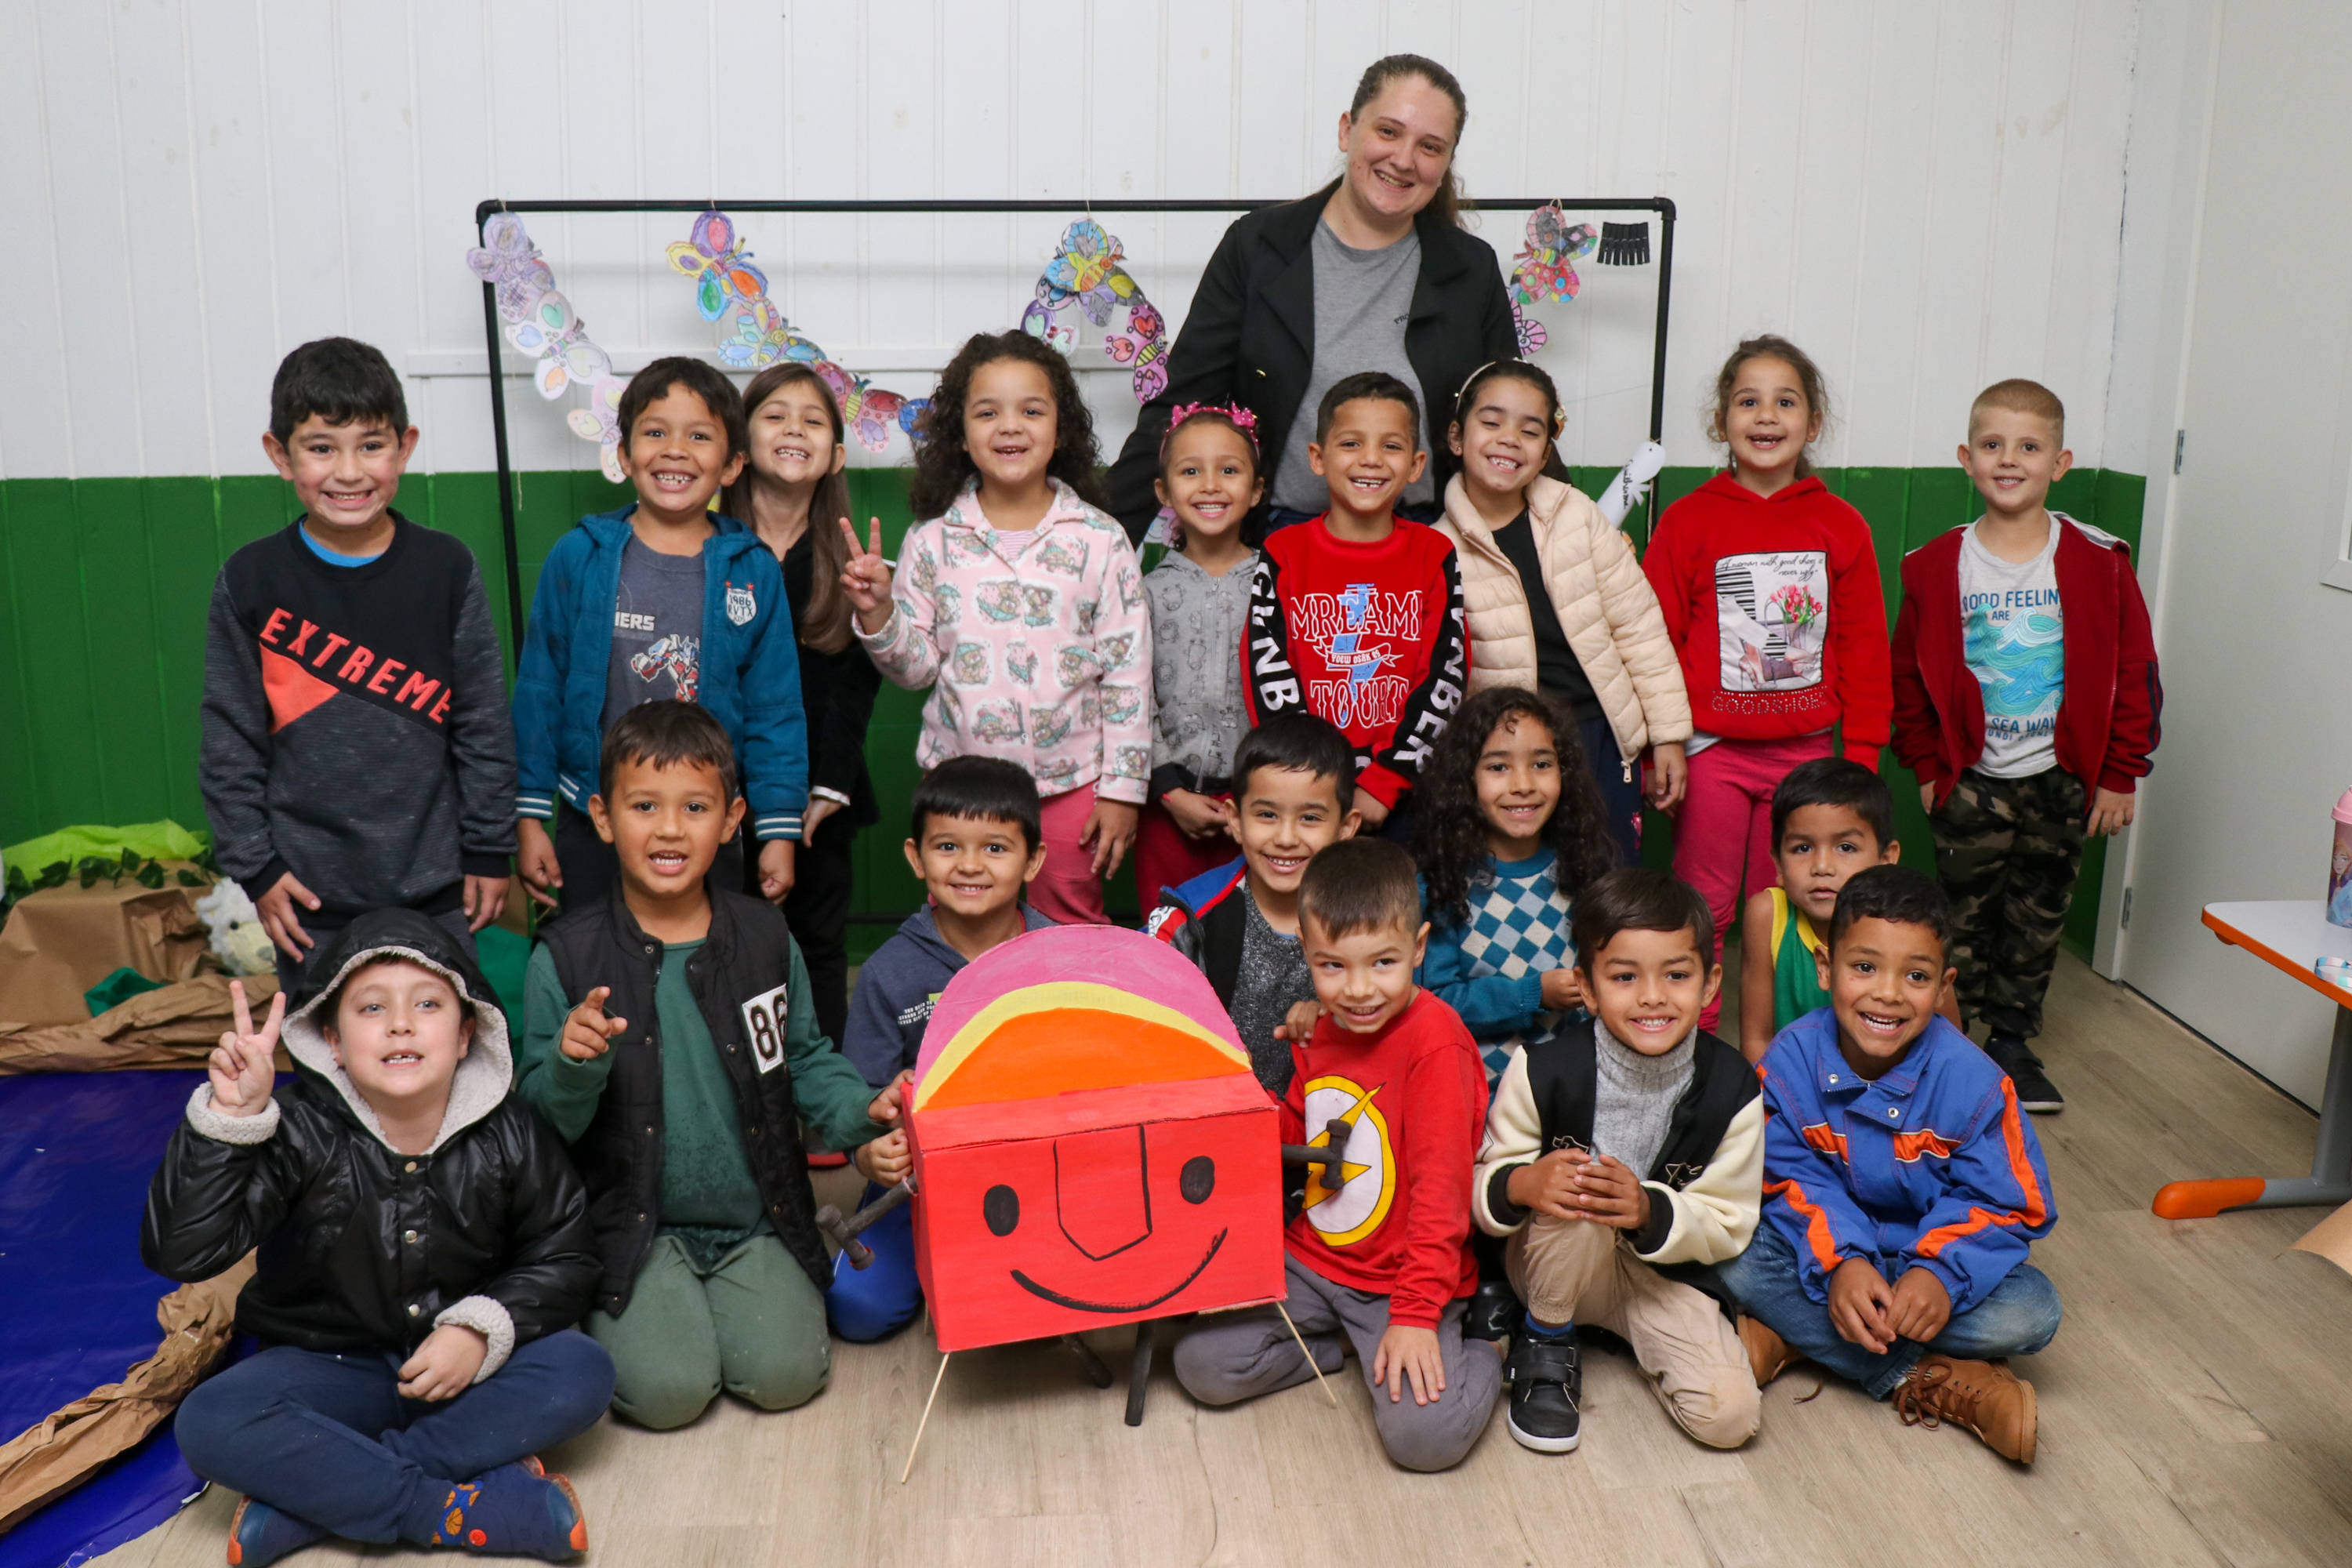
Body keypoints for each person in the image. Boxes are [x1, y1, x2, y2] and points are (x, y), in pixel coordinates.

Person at [147, 913, 612, 1567]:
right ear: (332, 1042)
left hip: (463, 1369)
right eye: (372, 1008)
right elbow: (182, 1252)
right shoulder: (296, 1132)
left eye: (428, 1004)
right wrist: (229, 1121)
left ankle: (320, 1498)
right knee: (210, 1420)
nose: (401, 1024)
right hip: (330, 1365)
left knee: (581, 1370)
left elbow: (565, 1255)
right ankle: (442, 1506)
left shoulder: (511, 1131)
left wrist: (479, 1330)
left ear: (466, 1034)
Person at [510, 702, 903, 1430]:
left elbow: (805, 1058)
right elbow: (537, 1126)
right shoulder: (564, 956)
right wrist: (571, 1064)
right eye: (644, 806)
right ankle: (628, 1310)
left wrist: (862, 1110)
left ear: (731, 820)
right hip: (635, 1228)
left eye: (695, 807)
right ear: (602, 818)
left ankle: (732, 1290)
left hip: (755, 1218)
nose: (669, 828)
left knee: (785, 1376)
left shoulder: (763, 935)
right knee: (670, 1395)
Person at [1172, 838, 1501, 1472]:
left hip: (1400, 1283)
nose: (1358, 990)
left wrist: (1414, 1316)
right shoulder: (1320, 1027)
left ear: (1419, 948)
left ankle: (1487, 1347)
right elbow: (1300, 1138)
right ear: (1306, 951)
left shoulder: (1436, 1045)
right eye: (1332, 966)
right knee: (1202, 1366)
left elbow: (1442, 1196)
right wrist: (1242, 1101)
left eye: (1383, 964)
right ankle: (1349, 1349)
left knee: (1424, 1440)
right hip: (1312, 1262)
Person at [201, 337, 516, 993]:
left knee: (438, 1046)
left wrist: (490, 847)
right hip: (308, 898)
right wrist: (257, 869)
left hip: (438, 889)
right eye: (322, 448)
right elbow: (230, 740)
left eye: (371, 445)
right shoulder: (250, 580)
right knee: (325, 1053)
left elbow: (483, 721)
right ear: (280, 455)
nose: (349, 472)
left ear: (405, 447)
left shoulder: (448, 569)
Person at [1715, 866, 2059, 1464]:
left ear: (1944, 986)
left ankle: (1798, 1334)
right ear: (1826, 968)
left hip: (1921, 1264)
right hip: (1823, 1255)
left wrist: (1939, 1275)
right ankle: (1928, 1378)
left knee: (2034, 1312)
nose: (1889, 993)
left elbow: (2011, 1204)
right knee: (1734, 1256)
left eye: (1916, 976)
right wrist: (1842, 1263)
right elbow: (1784, 1179)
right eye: (1865, 967)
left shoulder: (1975, 1082)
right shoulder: (1790, 1061)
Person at [1103, 53, 1516, 542]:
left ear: (1445, 164)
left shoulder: (1471, 268)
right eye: (1388, 131)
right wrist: (1095, 543)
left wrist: (1563, 539)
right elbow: (1179, 411)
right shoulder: (1257, 248)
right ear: (1347, 130)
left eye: (1430, 147)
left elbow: (1514, 415)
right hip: (1279, 540)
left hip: (1430, 540)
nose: (1404, 159)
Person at [1892, 379, 2162, 1113]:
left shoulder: (2100, 562)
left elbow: (2135, 670)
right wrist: (1927, 764)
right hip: (1971, 778)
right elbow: (1907, 675)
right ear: (1967, 458)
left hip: (2062, 776)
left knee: (2036, 915)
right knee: (1961, 916)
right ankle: (1944, 1040)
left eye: (2029, 447)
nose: (2009, 459)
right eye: (1993, 445)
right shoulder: (1935, 565)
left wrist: (2120, 774)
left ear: (2060, 464)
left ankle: (2011, 1042)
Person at [838, 331, 1150, 926]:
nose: (1010, 426)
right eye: (987, 413)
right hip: (963, 788)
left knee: (1068, 932)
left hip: (1074, 787)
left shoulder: (1101, 538)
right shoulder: (932, 540)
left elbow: (1128, 673)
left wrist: (1123, 790)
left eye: (1031, 411)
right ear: (960, 433)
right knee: (965, 928)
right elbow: (916, 670)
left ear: (1061, 430)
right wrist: (878, 613)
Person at [1641, 336, 1891, 1027]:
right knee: (1705, 903)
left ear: (1813, 423)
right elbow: (1653, 643)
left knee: (1782, 909)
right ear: (1722, 420)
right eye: (1748, 401)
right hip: (1710, 753)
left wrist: (1860, 759)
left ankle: (1783, 1049)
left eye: (1786, 402)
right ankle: (1691, 1044)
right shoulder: (1688, 520)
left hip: (1806, 757)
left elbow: (1866, 649)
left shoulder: (1840, 524)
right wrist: (1658, 743)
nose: (1766, 416)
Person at [1473, 867, 1766, 1454]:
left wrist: (1649, 1210)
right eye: (1625, 977)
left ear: (1710, 985)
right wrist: (1525, 1183)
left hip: (1658, 1275)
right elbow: (1484, 1184)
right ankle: (1546, 1338)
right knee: (1580, 1187)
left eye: (1676, 975)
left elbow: (1730, 1221)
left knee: (1730, 1417)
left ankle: (1619, 1332)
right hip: (1554, 1259)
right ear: (1587, 987)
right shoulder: (1543, 1070)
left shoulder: (1733, 1087)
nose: (1653, 996)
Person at [511, 358, 808, 917]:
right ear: (624, 455)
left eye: (699, 436)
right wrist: (529, 817)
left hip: (706, 819)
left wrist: (778, 832)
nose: (675, 451)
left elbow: (775, 710)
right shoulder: (579, 556)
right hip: (595, 813)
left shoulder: (753, 571)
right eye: (654, 433)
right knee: (590, 955)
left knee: (709, 957)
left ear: (732, 464)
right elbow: (539, 689)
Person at [830, 756, 1054, 1341]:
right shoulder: (888, 972)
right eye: (948, 846)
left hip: (1041, 1177)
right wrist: (868, 1154)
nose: (970, 865)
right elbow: (860, 1100)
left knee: (1041, 1308)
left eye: (996, 848)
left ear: (1033, 860)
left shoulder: (1063, 959)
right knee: (858, 1312)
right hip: (921, 1184)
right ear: (916, 857)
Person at [1433, 359, 1692, 862]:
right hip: (1511, 751)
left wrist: (1667, 737)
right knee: (1524, 875)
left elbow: (1639, 629)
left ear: (1546, 452)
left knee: (1609, 876)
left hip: (1600, 732)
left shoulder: (1577, 515)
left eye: (1530, 431)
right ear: (1457, 437)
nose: (1510, 439)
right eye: (1492, 422)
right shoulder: (1437, 548)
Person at [718, 361, 884, 1045]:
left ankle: (822, 1088)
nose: (794, 429)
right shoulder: (706, 543)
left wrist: (829, 788)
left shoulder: (851, 560)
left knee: (816, 943)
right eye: (775, 416)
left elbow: (856, 687)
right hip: (718, 789)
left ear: (836, 456)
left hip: (819, 793)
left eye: (812, 420)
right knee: (724, 945)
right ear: (739, 443)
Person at [1242, 372, 1469, 843]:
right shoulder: (1284, 552)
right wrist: (1310, 780)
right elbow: (1267, 673)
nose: (1371, 459)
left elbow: (1444, 678)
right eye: (1351, 443)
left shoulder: (1434, 553)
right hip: (1306, 797)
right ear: (1317, 458)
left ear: (1416, 465)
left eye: (1391, 446)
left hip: (1404, 796)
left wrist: (1385, 783)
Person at [1414, 685, 1618, 1090]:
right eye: (1498, 767)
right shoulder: (1441, 884)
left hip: (1574, 1090)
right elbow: (1434, 1004)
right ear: (1466, 779)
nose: (1523, 784)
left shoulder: (1585, 869)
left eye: (1541, 764)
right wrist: (1532, 994)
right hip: (1477, 1094)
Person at [1146, 711, 1361, 1094]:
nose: (1286, 838)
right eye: (1267, 815)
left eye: (1310, 818)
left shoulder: (1370, 919)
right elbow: (1141, 1022)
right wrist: (1200, 1050)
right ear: (1236, 820)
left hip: (1333, 1117)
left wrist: (1338, 1020)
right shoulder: (1188, 918)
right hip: (1214, 1114)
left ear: (1346, 828)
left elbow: (1399, 1020)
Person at [1137, 403, 1267, 908]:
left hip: (1260, 808)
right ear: (1164, 492)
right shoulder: (1144, 592)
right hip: (1168, 806)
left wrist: (1264, 797)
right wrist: (1169, 791)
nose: (1210, 485)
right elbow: (1131, 698)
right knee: (1171, 931)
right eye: (1191, 472)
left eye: (1229, 471)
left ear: (1256, 490)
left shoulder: (1277, 584)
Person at [1736, 757, 1903, 1064]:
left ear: (1886, 859)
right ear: (1778, 864)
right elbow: (1756, 1039)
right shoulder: (1767, 916)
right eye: (1802, 848)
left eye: (1846, 847)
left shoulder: (1907, 927)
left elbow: (1949, 1042)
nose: (1822, 867)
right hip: (1790, 1087)